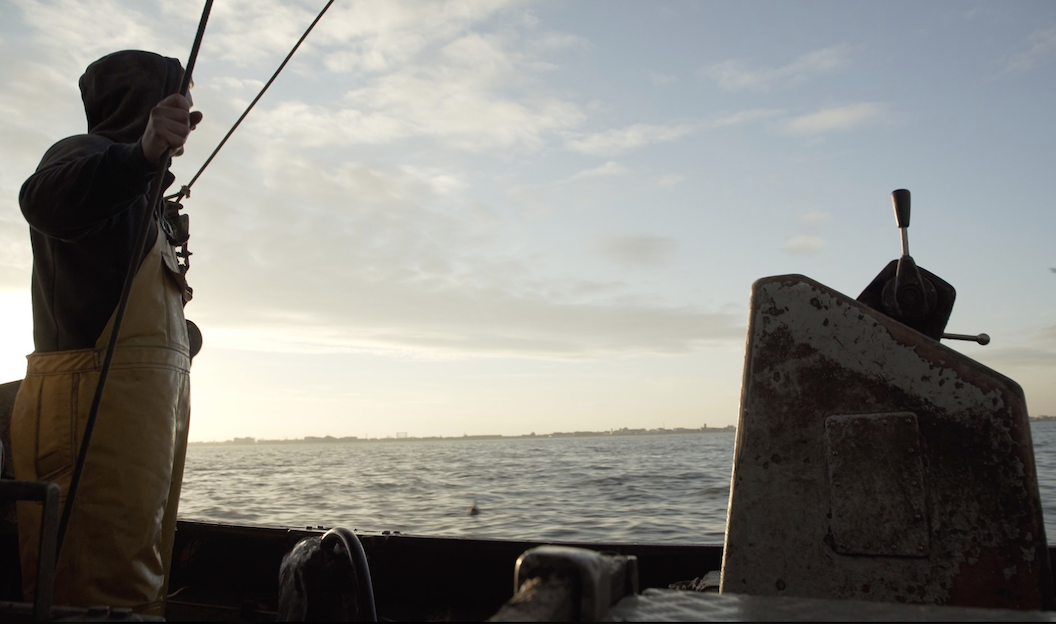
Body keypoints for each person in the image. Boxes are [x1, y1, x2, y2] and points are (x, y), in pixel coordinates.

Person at [10, 49, 202, 616]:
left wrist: (180, 342)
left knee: (135, 583)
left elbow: (110, 301)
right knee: (91, 594)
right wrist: (142, 154)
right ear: (141, 102)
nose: (189, 111)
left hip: (138, 427)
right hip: (85, 416)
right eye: (177, 95)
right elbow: (41, 200)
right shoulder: (82, 154)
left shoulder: (139, 196)